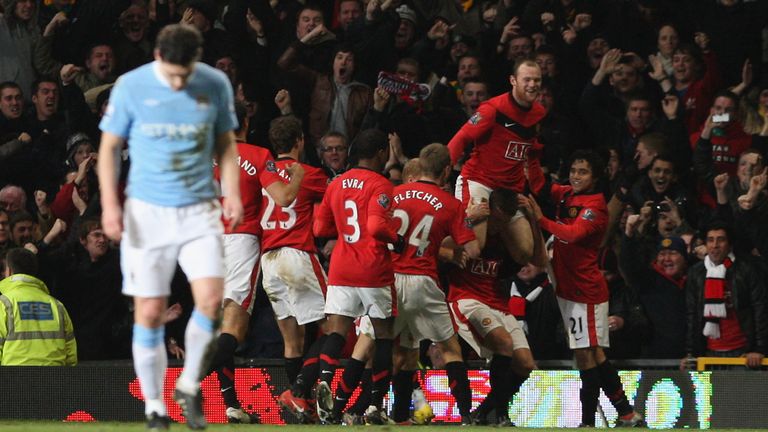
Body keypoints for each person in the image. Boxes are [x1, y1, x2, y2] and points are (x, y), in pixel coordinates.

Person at [97, 24, 243, 430]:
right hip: (147, 212)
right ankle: (155, 408)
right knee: (149, 310)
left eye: (186, 73)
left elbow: (226, 144)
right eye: (173, 75)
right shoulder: (130, 86)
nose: (180, 82)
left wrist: (231, 191)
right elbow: (108, 148)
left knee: (212, 302)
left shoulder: (214, 83)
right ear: (158, 57)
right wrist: (110, 204)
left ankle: (190, 383)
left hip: (199, 209)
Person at [284, 129, 398, 424]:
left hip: (342, 267)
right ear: (382, 153)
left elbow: (321, 229)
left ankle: (324, 379)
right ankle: (375, 406)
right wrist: (396, 239)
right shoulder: (381, 184)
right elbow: (375, 226)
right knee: (383, 336)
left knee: (336, 332)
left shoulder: (335, 184)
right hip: (372, 268)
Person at [528, 149, 644, 427]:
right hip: (568, 289)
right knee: (594, 354)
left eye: (583, 172)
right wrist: (529, 154)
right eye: (574, 170)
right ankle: (627, 413)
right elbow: (540, 186)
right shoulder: (568, 194)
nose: (576, 176)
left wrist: (539, 218)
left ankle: (589, 421)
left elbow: (572, 234)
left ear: (595, 176)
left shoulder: (596, 206)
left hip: (585, 292)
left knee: (584, 354)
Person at [209, 104, 304, 424]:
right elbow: (284, 198)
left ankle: (230, 404)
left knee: (220, 327)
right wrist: (297, 176)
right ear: (247, 121)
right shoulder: (258, 155)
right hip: (240, 241)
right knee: (236, 325)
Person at [387, 143, 481, 425]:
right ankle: (466, 415)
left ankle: (388, 412)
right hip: (423, 279)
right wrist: (470, 220)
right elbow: (473, 251)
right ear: (446, 170)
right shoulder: (451, 204)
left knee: (396, 350)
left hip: (389, 280)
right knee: (450, 348)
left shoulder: (393, 195)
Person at [448, 189, 543, 426]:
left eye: (505, 219)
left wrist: (533, 219)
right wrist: (468, 219)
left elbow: (539, 260)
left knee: (525, 363)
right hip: (466, 298)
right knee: (504, 343)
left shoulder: (507, 238)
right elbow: (438, 244)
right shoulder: (470, 231)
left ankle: (483, 412)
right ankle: (502, 415)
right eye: (498, 218)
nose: (499, 224)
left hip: (496, 302)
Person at [447, 58, 546, 263]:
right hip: (479, 181)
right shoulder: (492, 109)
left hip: (510, 189)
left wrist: (537, 186)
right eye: (527, 79)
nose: (533, 84)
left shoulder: (539, 113)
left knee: (525, 253)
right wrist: (439, 175)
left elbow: (533, 150)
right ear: (513, 81)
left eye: (537, 80)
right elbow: (461, 138)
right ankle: (429, 243)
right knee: (475, 247)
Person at [259, 115, 328, 396]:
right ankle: (299, 391)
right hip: (296, 254)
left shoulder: (264, 176)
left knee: (292, 341)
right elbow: (336, 199)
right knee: (335, 325)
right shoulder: (310, 174)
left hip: (269, 260)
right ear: (300, 141)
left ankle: (300, 404)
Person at [681, 220, 768, 370]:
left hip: (743, 354)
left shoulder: (746, 270)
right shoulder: (696, 273)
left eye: (720, 240)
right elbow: (692, 314)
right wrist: (691, 353)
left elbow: (760, 309)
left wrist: (759, 349)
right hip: (708, 354)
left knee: (741, 394)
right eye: (710, 240)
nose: (715, 245)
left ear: (729, 244)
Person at [0, 248, 77, 365]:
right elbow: (71, 356)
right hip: (54, 380)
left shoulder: (4, 304)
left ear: (9, 271)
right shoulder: (57, 306)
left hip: (14, 380)